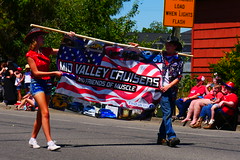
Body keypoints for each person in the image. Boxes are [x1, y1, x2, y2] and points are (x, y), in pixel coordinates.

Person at [24, 28, 75, 151]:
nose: (43, 39)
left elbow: (62, 50)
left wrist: (68, 37)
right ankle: (50, 142)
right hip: (37, 84)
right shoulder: (30, 55)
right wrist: (53, 73)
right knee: (45, 112)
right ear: (35, 39)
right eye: (41, 37)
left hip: (47, 83)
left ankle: (33, 138)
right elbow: (35, 73)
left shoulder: (46, 51)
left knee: (41, 114)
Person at [157, 37, 184, 147]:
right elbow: (145, 58)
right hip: (159, 89)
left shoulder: (179, 60)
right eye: (166, 44)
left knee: (167, 113)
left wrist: (168, 86)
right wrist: (137, 49)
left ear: (175, 47)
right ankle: (171, 136)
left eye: (170, 45)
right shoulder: (159, 56)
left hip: (171, 90)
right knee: (167, 113)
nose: (167, 46)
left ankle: (161, 136)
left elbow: (178, 77)